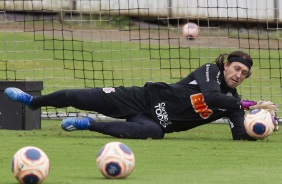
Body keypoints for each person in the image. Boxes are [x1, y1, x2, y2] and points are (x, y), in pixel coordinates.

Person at [4, 51, 278, 140]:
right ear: (226, 65)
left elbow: (241, 134)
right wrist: (246, 103)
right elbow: (210, 97)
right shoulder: (210, 72)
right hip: (141, 98)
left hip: (156, 122)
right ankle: (33, 102)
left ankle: (87, 124)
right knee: (78, 94)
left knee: (152, 133)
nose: (238, 75)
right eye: (236, 68)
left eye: (244, 73)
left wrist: (265, 122)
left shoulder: (232, 105)